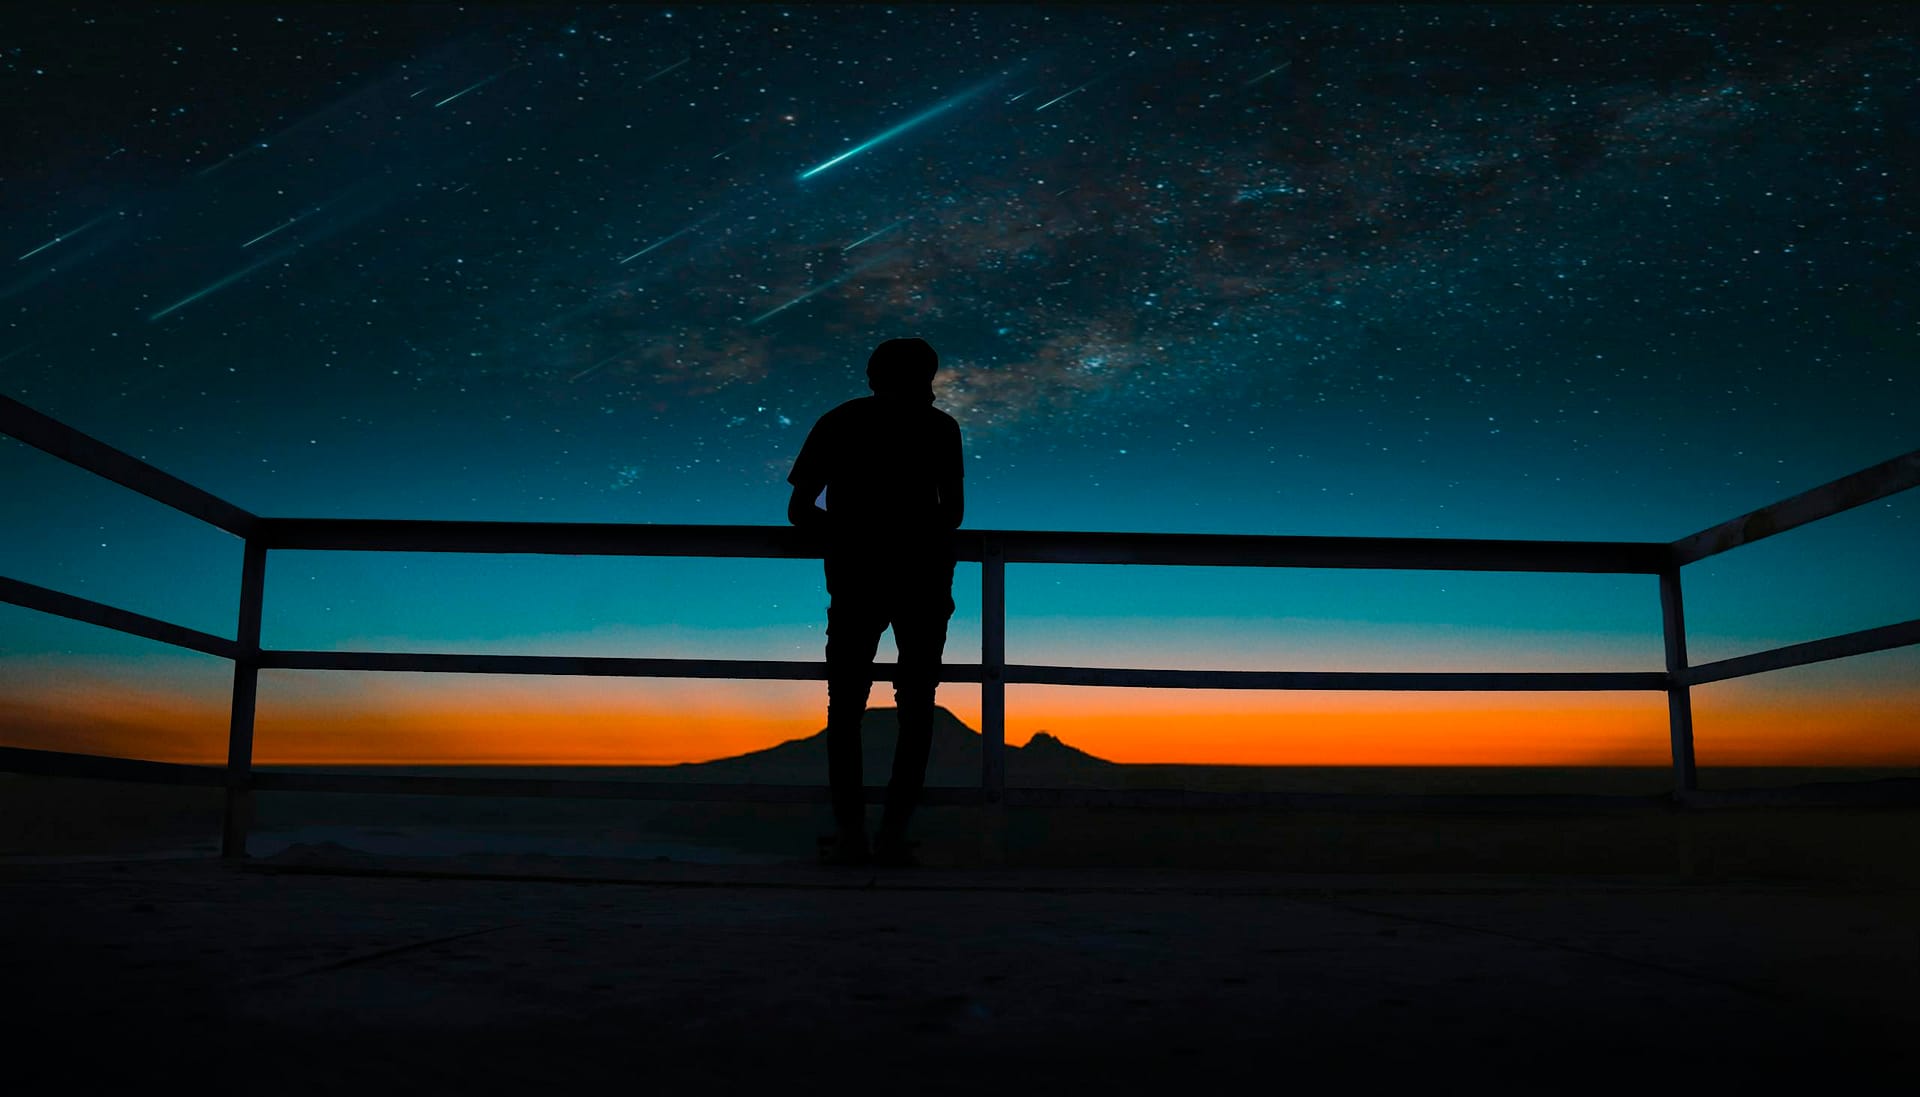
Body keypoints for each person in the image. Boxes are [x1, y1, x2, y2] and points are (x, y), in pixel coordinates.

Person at [786, 337, 964, 867]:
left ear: (874, 375)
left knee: (845, 706)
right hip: (924, 579)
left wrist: (852, 535)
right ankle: (894, 833)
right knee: (917, 704)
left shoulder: (838, 421)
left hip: (855, 578)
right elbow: (950, 514)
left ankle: (850, 833)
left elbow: (799, 510)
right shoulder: (941, 428)